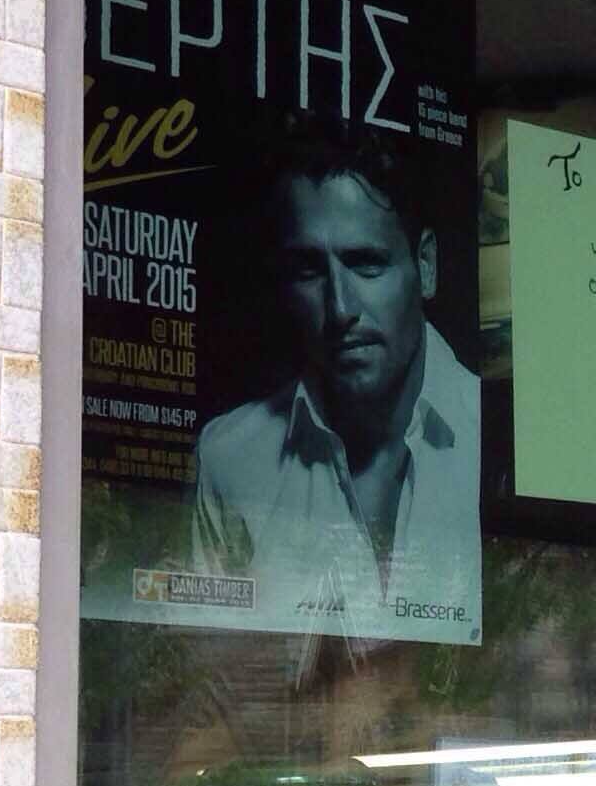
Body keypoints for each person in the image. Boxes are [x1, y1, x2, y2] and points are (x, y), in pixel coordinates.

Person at [189, 127, 480, 638]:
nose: (341, 307)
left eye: (366, 263)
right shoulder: (229, 458)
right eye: (309, 271)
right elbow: (212, 681)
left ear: (426, 265)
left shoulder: (493, 438)